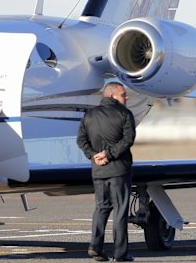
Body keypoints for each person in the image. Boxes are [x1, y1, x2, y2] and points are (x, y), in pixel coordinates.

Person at [77, 82, 136, 262]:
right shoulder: (124, 114)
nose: (126, 98)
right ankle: (120, 253)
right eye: (123, 94)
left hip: (98, 170)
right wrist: (109, 155)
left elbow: (81, 140)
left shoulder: (89, 115)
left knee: (101, 208)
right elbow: (128, 139)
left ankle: (95, 247)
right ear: (112, 95)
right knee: (120, 210)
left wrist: (94, 156)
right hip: (119, 170)